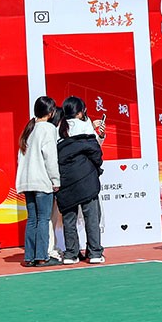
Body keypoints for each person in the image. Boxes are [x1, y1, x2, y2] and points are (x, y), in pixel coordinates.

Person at [55, 96, 106, 265]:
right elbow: (95, 150)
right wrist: (95, 168)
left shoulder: (58, 128)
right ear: (79, 112)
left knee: (69, 218)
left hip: (65, 179)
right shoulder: (85, 125)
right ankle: (95, 252)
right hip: (86, 179)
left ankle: (71, 254)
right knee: (92, 217)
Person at [17, 96, 62, 268]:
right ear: (51, 112)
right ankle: (42, 257)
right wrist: (55, 180)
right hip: (42, 181)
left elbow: (20, 157)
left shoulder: (29, 129)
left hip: (27, 181)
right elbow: (50, 158)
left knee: (32, 219)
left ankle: (29, 257)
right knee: (43, 219)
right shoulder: (48, 129)